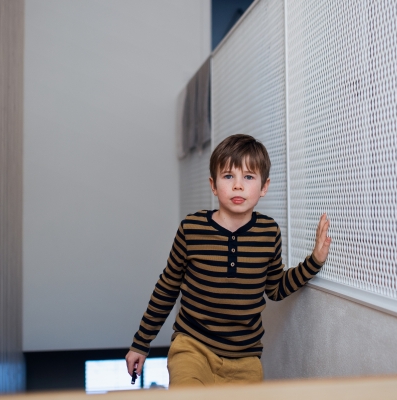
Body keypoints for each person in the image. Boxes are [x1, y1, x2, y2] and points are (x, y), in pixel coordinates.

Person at [125, 134, 331, 387]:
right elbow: (167, 289)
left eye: (248, 177)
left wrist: (314, 261)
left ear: (264, 187)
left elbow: (275, 288)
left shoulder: (269, 232)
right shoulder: (192, 228)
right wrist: (141, 343)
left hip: (245, 358)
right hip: (192, 347)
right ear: (213, 185)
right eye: (228, 176)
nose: (238, 185)